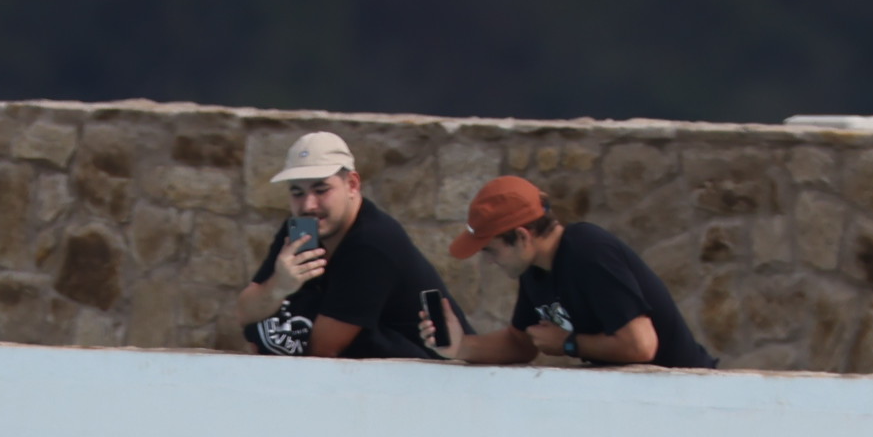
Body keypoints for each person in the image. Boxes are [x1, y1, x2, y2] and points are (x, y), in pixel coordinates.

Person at [441, 175, 717, 371]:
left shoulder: (589, 252)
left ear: (522, 237)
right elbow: (521, 343)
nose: (489, 262)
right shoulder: (534, 270)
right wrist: (462, 346)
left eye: (491, 250)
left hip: (686, 394)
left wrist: (569, 344)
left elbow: (641, 345)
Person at [232, 131, 465, 362]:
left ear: (352, 185)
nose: (308, 205)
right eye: (297, 192)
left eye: (321, 190)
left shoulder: (373, 242)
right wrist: (278, 287)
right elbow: (244, 313)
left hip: (435, 380)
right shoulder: (302, 229)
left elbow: (323, 351)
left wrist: (269, 338)